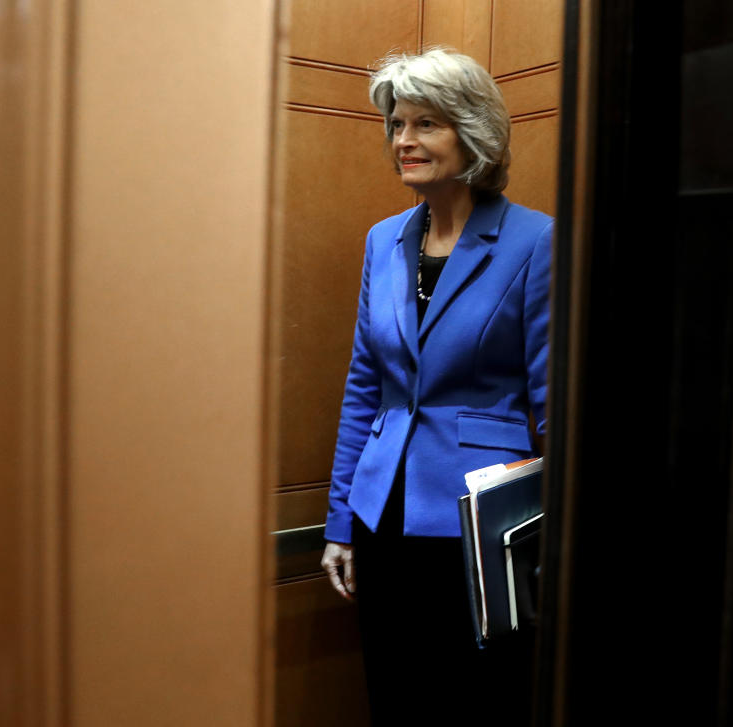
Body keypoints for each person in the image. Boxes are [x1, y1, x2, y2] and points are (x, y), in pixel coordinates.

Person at [319, 48, 552, 727]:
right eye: (396, 124)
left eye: (426, 124)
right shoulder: (382, 240)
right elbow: (365, 385)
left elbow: (552, 400)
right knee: (394, 691)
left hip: (478, 518)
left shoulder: (535, 240)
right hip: (381, 511)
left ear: (472, 133)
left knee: (473, 700)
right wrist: (341, 522)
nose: (404, 141)